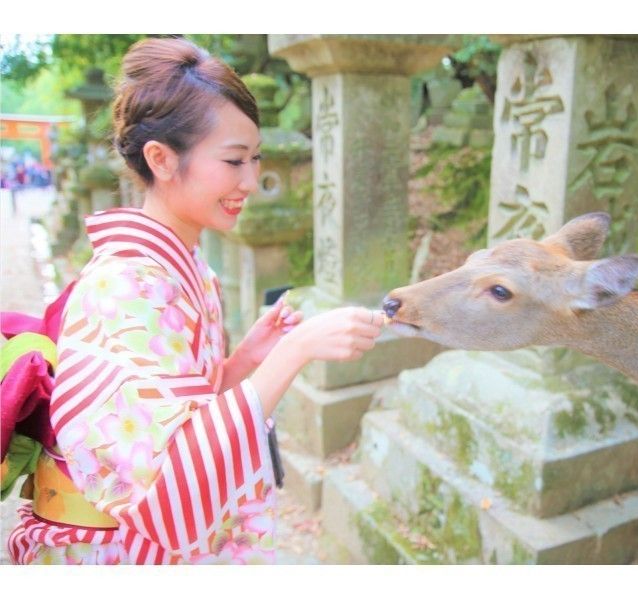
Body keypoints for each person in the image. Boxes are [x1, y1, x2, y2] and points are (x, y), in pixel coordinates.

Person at [6, 37, 384, 565]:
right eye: (233, 161)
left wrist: (245, 362)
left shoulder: (185, 270)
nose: (251, 181)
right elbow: (170, 492)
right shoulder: (126, 287)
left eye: (255, 159)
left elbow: (180, 414)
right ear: (161, 159)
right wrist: (295, 350)